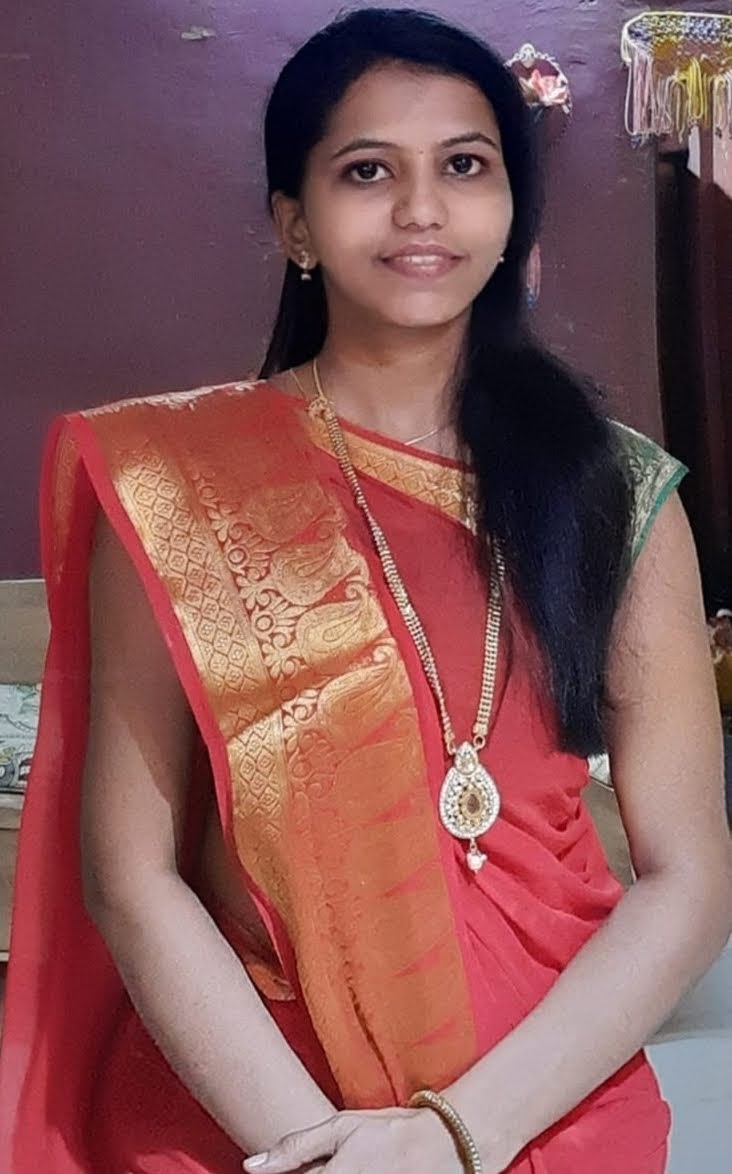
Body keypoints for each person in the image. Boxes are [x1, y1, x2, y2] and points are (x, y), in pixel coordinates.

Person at [1, 8, 730, 1172]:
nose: (422, 207)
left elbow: (688, 877)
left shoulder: (616, 490)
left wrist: (457, 1135)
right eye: (367, 171)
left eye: (465, 166)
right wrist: (315, 1150)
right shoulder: (178, 485)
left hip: (550, 1106)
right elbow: (131, 875)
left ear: (512, 210)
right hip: (254, 1113)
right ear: (295, 221)